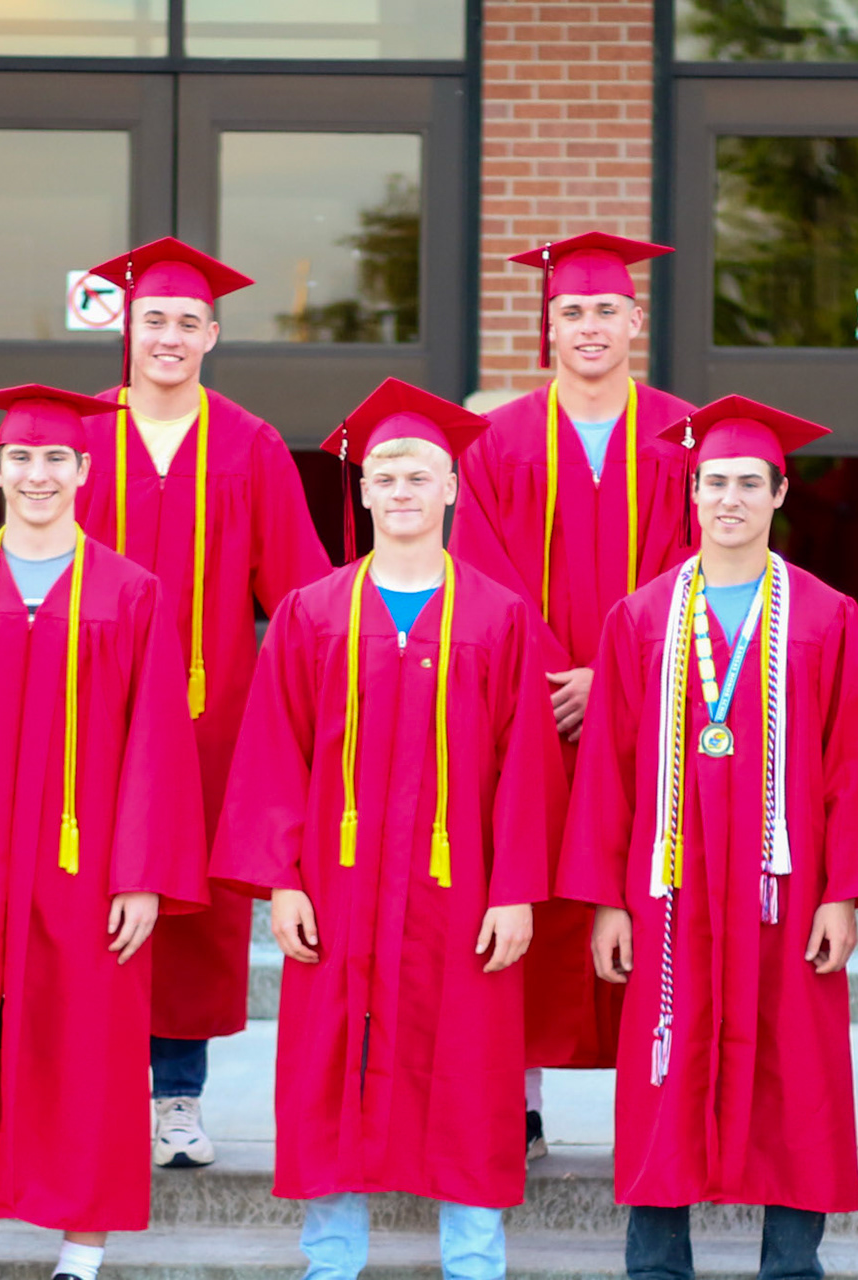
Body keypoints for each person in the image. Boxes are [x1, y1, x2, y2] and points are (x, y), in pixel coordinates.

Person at [560, 396, 858, 1280]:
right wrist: (605, 904)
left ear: (778, 497)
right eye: (713, 483)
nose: (728, 498)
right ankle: (656, 1264)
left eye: (747, 484)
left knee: (795, 1074)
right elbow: (608, 769)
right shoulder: (641, 618)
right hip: (669, 892)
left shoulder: (825, 615)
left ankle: (791, 1265)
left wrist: (843, 894)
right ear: (692, 495)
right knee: (664, 1067)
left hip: (785, 889)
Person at [214, 377, 565, 1280]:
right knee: (331, 1062)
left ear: (452, 487)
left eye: (422, 475)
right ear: (362, 490)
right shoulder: (311, 613)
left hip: (465, 890)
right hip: (337, 884)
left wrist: (519, 891)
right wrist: (282, 880)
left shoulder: (500, 616)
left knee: (474, 1068)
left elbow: (528, 765)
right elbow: (274, 755)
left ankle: (474, 1259)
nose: (403, 490)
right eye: (386, 476)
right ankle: (332, 1259)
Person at [0, 384, 210, 1280]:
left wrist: (141, 875)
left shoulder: (132, 595)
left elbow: (155, 745)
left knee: (88, 1052)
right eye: (21, 457)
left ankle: (79, 1260)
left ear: (87, 471)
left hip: (85, 870)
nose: (38, 473)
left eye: (56, 458)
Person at [77, 237, 332, 1167]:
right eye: (155, 322)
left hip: (208, 716)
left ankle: (177, 1100)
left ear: (213, 335)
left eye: (188, 324)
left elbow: (303, 596)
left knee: (190, 911)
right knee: (84, 895)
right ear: (127, 328)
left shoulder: (249, 444)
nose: (170, 339)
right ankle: (92, 1091)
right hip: (85, 718)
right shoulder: (75, 435)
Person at [450, 231, 695, 1154]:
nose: (590, 327)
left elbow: (700, 560)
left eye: (606, 311)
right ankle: (521, 1099)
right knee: (526, 888)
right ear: (546, 326)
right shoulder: (497, 442)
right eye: (571, 313)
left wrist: (614, 677)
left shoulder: (684, 435)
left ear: (636, 320)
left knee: (649, 891)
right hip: (529, 710)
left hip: (657, 708)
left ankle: (658, 1092)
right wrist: (561, 675)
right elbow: (482, 574)